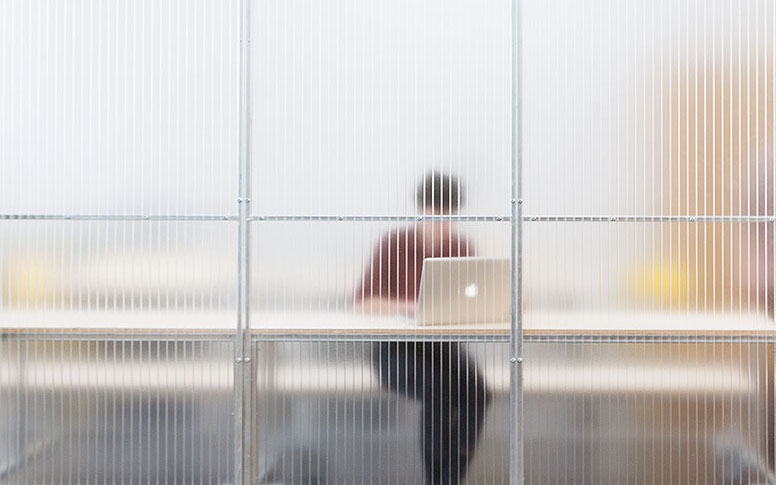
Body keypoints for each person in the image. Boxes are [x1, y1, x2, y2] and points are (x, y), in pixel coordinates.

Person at [354, 171, 492, 484]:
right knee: (440, 391)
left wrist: (501, 301)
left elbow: (475, 298)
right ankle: (437, 479)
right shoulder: (393, 244)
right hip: (395, 351)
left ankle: (451, 478)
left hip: (442, 348)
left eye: (447, 218)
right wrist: (415, 307)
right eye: (434, 216)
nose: (441, 225)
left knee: (479, 393)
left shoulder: (460, 246)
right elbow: (362, 304)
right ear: (420, 208)